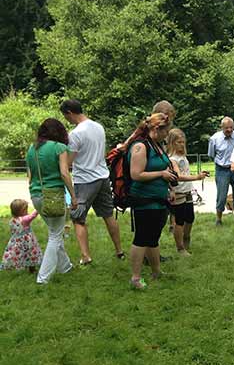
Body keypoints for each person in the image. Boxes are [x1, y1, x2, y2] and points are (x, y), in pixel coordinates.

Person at [60, 99, 125, 265]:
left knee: (78, 218)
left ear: (69, 113)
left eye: (65, 116)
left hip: (85, 180)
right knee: (108, 215)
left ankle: (85, 256)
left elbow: (69, 162)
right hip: (103, 176)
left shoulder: (75, 134)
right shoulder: (98, 127)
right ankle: (119, 251)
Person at [25, 118, 79, 285]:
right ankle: (43, 278)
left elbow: (30, 176)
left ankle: (65, 267)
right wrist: (73, 196)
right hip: (54, 195)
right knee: (55, 235)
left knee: (54, 231)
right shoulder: (59, 148)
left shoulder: (31, 149)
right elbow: (64, 173)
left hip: (36, 195)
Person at [127, 113, 176, 289]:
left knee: (153, 237)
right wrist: (161, 174)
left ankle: (157, 271)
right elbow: (136, 174)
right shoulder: (140, 146)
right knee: (142, 237)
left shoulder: (157, 145)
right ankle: (135, 278)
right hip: (143, 199)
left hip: (158, 199)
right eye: (165, 131)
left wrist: (168, 188)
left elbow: (164, 169)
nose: (167, 134)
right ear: (156, 129)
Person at [167, 128, 209, 255]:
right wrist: (197, 177)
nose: (181, 144)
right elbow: (178, 176)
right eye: (178, 142)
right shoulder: (172, 159)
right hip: (178, 192)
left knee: (190, 218)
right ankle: (180, 248)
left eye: (183, 142)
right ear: (172, 143)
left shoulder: (182, 156)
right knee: (179, 221)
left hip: (187, 191)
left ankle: (186, 240)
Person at [208, 117, 234, 226]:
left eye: (231, 127)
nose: (229, 130)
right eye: (226, 128)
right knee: (222, 195)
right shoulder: (214, 139)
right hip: (222, 170)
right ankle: (219, 219)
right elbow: (211, 155)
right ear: (221, 127)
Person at [2, 199, 42, 274]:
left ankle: (20, 266)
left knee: (21, 255)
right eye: (25, 210)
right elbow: (33, 215)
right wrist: (38, 208)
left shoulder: (12, 220)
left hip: (17, 243)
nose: (27, 211)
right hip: (27, 242)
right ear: (21, 211)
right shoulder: (24, 219)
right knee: (30, 254)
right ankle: (32, 269)